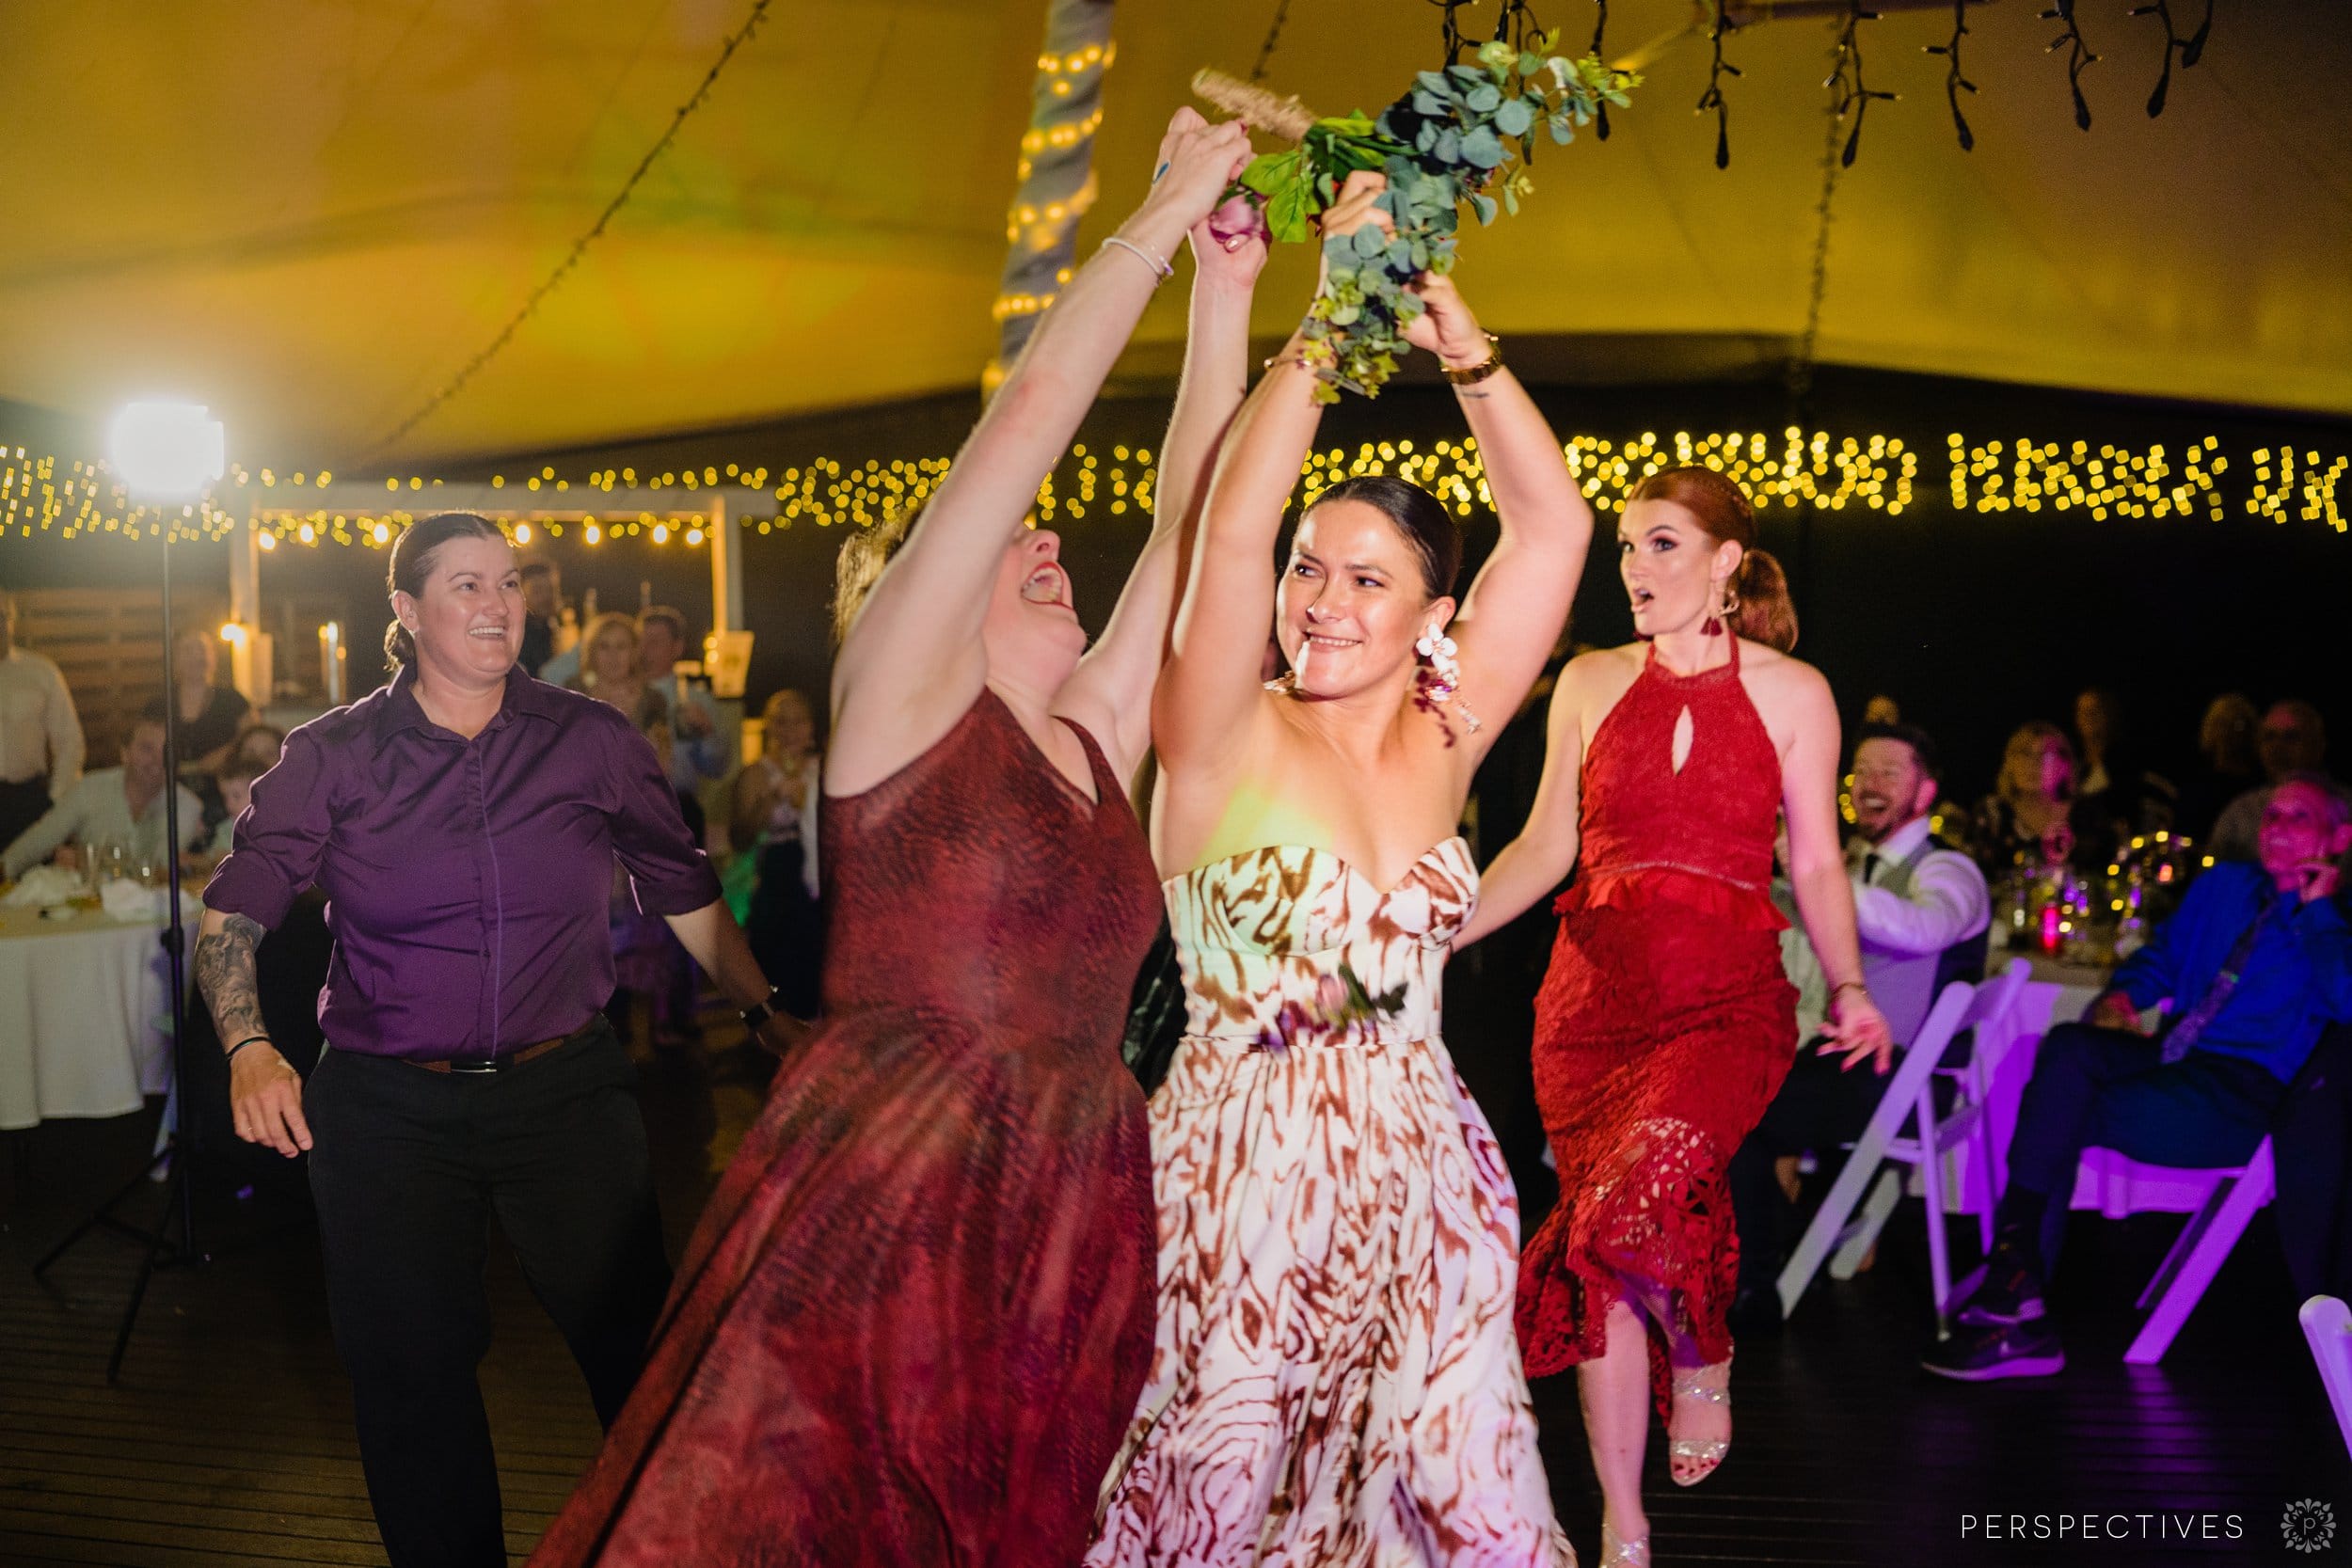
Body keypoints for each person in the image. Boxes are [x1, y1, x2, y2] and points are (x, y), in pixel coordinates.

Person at [529, 110, 1257, 1568]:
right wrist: (1167, 212)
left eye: (1047, 537)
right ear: (928, 587)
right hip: (896, 1185)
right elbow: (1033, 408)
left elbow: (1190, 523)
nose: (1048, 541)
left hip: (1071, 1203)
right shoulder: (899, 707)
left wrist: (1232, 294)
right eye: (1015, 541)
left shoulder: (1096, 737)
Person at [1089, 172, 1590, 1567]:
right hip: (1241, 1179)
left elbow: (1550, 533)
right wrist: (1331, 322)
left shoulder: (1449, 730)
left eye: (1370, 580)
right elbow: (1229, 532)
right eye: (1315, 568)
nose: (1321, 600)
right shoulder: (1219, 726)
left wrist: (1456, 335)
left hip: (1425, 1169)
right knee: (1214, 1501)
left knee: (1467, 1499)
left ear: (1439, 614)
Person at [193, 512, 794, 1568]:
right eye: (465, 584)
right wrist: (248, 1044)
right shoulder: (328, 757)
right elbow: (232, 912)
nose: (496, 603)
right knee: (409, 1374)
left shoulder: (590, 737)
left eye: (508, 582)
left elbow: (681, 884)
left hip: (564, 1092)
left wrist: (760, 1006)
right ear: (407, 612)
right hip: (386, 1108)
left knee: (640, 1353)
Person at [1457, 465, 1893, 1564]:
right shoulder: (1591, 680)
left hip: (1725, 1004)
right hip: (1588, 1013)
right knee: (1603, 1255)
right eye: (1623, 546)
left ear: (1723, 562)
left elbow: (1815, 865)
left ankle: (1702, 1349)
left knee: (1624, 1208)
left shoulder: (1796, 692)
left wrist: (1847, 985)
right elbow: (1543, 848)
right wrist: (1435, 929)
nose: (1632, 567)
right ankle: (1622, 1520)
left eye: (1658, 543)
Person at [1926, 773, 2352, 1380]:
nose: (2277, 828)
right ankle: (2017, 1285)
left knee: (2056, 1108)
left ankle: (2014, 1294)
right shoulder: (2225, 886)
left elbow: (2346, 999)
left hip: (2242, 1095)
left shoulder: (2337, 925)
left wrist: (2318, 913)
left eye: (2298, 818)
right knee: (2069, 1048)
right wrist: (2124, 996)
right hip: (2172, 1058)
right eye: (2271, 815)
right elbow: (2161, 958)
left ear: (2340, 837)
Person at [1727, 721, 1991, 1326]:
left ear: (1926, 793)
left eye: (1889, 772)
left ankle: (1756, 1286)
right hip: (1861, 1066)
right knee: (1735, 1083)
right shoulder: (1857, 864)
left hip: (1901, 1077)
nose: (1869, 784)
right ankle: (1784, 1254)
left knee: (1733, 1111)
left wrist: (1815, 874)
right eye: (1862, 771)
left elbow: (1923, 928)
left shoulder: (1951, 872)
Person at [2, 714, 201, 879]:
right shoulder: (90, 789)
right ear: (125, 754)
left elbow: (161, 871)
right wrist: (4, 869)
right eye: (147, 749)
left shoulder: (186, 806)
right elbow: (41, 838)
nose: (158, 760)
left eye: (166, 751)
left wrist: (90, 862)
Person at [728, 687, 823, 1022]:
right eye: (781, 722)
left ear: (811, 727)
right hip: (775, 876)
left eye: (798, 722)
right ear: (769, 727)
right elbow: (739, 838)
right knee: (776, 957)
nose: (790, 731)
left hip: (819, 873)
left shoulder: (824, 768)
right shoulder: (756, 773)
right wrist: (770, 800)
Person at [0, 587, 86, 849]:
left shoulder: (41, 672)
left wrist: (56, 802)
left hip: (25, 802)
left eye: (2, 616)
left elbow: (70, 741)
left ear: (12, 621)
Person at [1970, 721, 2114, 875]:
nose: (2032, 764)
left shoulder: (2088, 814)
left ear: (2065, 765)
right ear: (2009, 763)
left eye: (2044, 755)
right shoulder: (1992, 813)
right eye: (2024, 754)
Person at [2209, 699, 2330, 862]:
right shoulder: (2240, 813)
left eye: (2291, 737)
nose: (2277, 748)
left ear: (2318, 745)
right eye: (2269, 737)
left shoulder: (2345, 808)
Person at [636, 607, 727, 800]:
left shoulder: (696, 699)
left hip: (680, 803)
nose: (645, 650)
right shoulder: (622, 695)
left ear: (677, 648)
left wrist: (706, 732)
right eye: (640, 641)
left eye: (655, 642)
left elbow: (717, 769)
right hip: (633, 803)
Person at [145, 625, 250, 773]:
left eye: (202, 649)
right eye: (188, 650)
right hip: (170, 787)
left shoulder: (234, 701)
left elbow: (253, 738)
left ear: (213, 657)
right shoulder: (158, 705)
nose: (196, 657)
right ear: (175, 659)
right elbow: (144, 746)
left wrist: (227, 754)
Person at [2072, 686, 2174, 835]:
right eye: (2082, 711)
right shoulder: (2074, 769)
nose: (2089, 716)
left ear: (2109, 716)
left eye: (2096, 710)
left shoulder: (2129, 766)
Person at [2174, 692, 2261, 846]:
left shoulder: (2261, 786)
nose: (2228, 733)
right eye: (2222, 724)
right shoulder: (2196, 785)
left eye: (2237, 725)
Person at [517, 560, 565, 676]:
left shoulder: (547, 627)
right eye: (537, 591)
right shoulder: (518, 635)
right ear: (520, 594)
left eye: (551, 590)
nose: (547, 597)